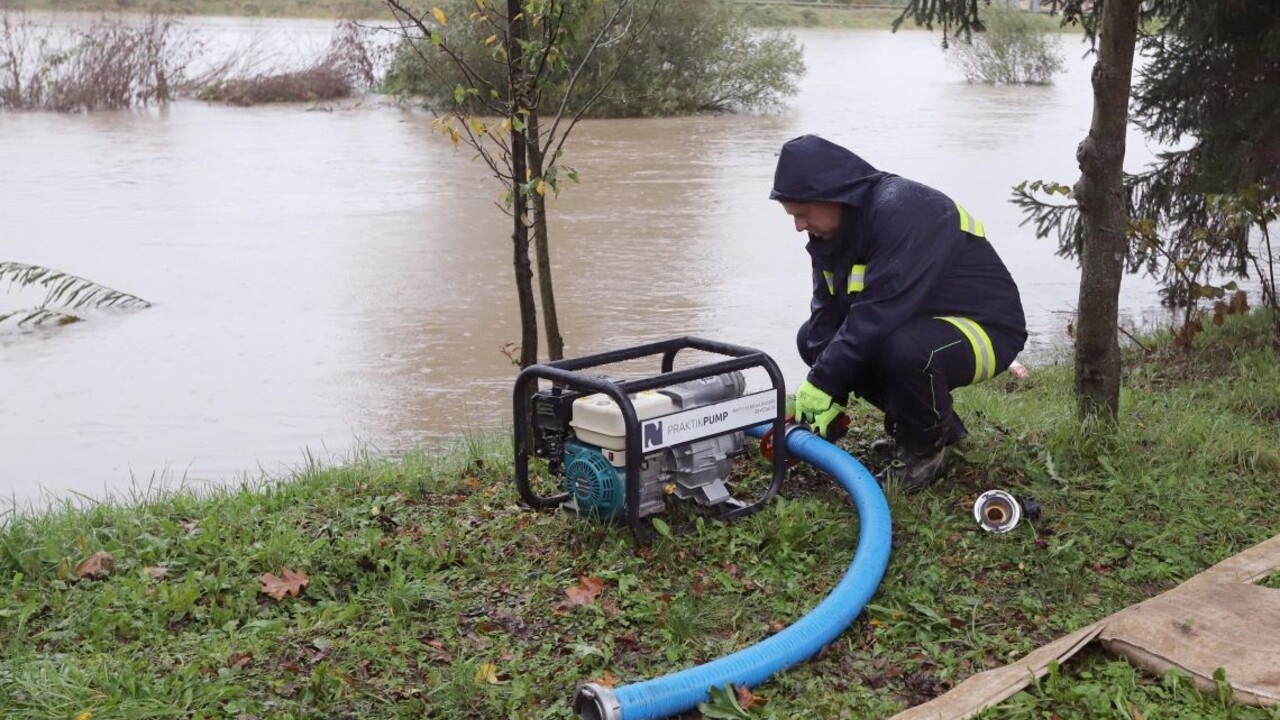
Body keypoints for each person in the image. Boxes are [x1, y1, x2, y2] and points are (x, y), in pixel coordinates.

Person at [772, 134, 1027, 492]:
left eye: (802, 214)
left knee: (903, 347)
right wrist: (828, 391)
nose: (798, 226)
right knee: (813, 339)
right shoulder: (831, 235)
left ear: (832, 196)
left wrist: (824, 382)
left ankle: (924, 452)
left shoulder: (907, 209)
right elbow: (826, 316)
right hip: (912, 323)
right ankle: (932, 426)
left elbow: (878, 312)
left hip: (986, 329)